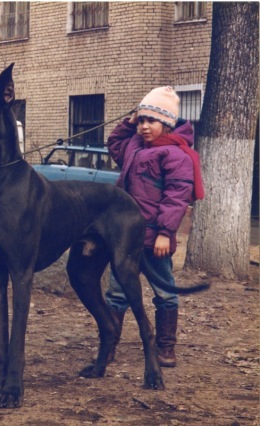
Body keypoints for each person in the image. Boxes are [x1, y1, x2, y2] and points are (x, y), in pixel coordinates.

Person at [105, 86, 204, 367]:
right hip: (125, 239)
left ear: (167, 123)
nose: (144, 126)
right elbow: (114, 143)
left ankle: (166, 348)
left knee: (165, 292)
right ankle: (108, 346)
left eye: (151, 121)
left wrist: (164, 233)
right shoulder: (134, 146)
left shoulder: (176, 155)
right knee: (117, 293)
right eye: (141, 121)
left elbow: (176, 198)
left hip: (154, 240)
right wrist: (129, 121)